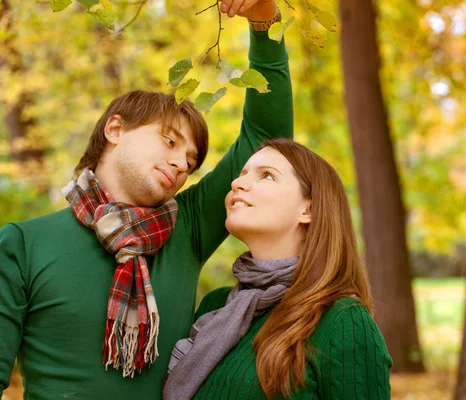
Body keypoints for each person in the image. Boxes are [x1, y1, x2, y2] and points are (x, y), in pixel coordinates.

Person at [0, 0, 292, 398]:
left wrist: (263, 21)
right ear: (115, 129)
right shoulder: (23, 244)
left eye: (190, 161)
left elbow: (265, 136)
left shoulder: (186, 228)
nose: (179, 164)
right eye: (169, 141)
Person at [163, 138, 393, 400]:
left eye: (267, 176)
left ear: (308, 210)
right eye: (242, 174)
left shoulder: (342, 320)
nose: (237, 183)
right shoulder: (216, 306)